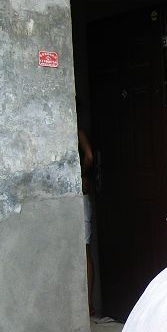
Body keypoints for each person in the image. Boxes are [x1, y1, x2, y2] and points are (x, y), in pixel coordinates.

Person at [78, 126, 95, 316]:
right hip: (81, 196)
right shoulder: (77, 131)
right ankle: (87, 305)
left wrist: (80, 176)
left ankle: (86, 305)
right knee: (84, 250)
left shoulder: (78, 131)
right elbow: (89, 156)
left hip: (80, 194)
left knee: (82, 250)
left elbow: (89, 156)